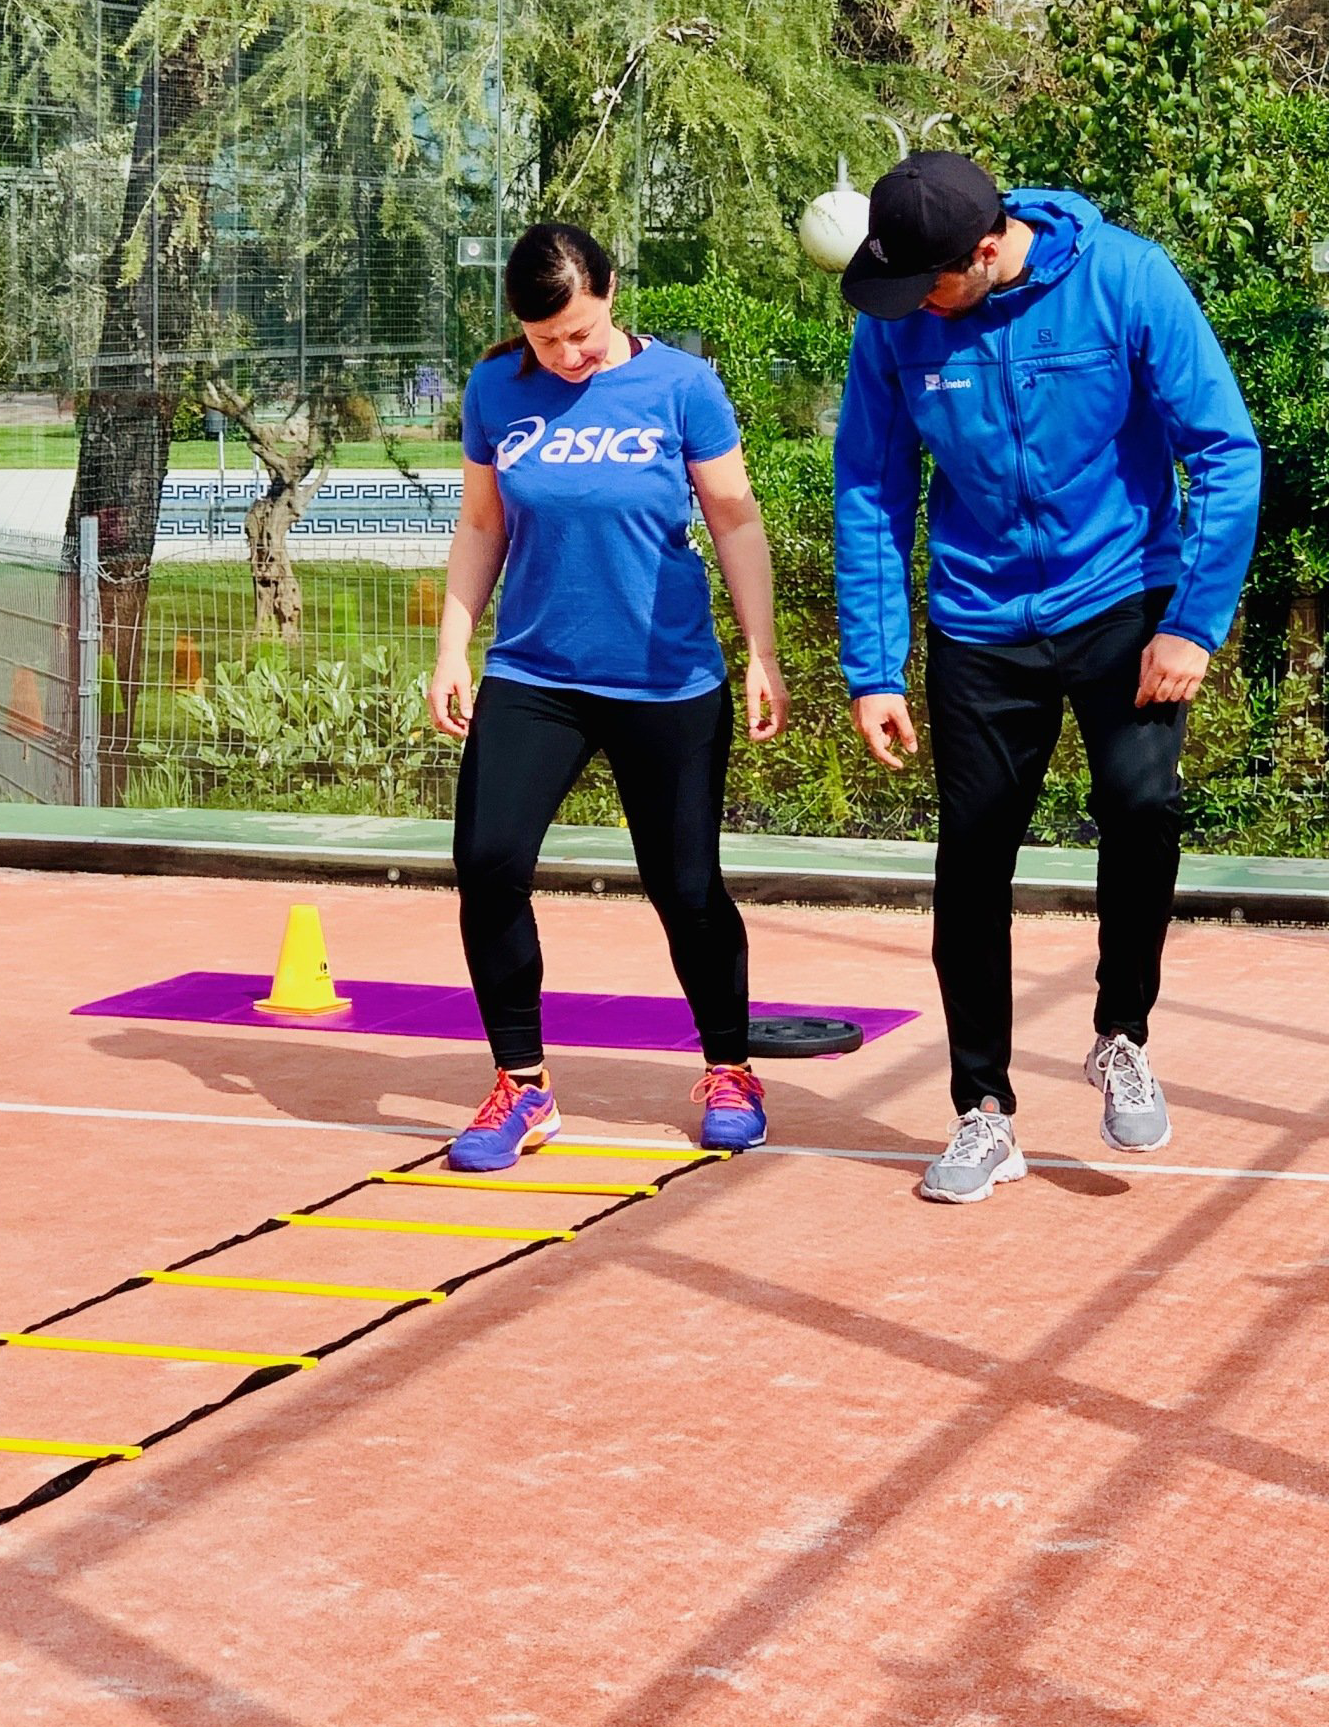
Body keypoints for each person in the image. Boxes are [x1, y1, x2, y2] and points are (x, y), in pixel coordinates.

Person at [832, 152, 1261, 1202]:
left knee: (1141, 802)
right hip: (978, 619)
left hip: (1122, 599)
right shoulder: (896, 320)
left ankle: (1121, 1035)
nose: (915, 305)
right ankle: (983, 1111)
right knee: (973, 858)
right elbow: (871, 486)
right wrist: (874, 666)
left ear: (988, 250)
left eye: (931, 282)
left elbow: (1225, 449)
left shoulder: (1128, 279)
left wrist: (1193, 625)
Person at [430, 222, 787, 1168]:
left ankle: (730, 1069)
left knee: (686, 889)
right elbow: (481, 526)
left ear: (613, 292)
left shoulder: (682, 386)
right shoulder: (495, 390)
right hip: (535, 673)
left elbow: (736, 521)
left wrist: (762, 652)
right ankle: (523, 1085)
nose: (568, 355)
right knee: (488, 863)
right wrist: (453, 648)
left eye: (581, 333)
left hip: (667, 680)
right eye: (546, 339)